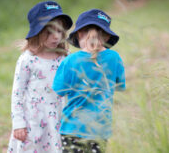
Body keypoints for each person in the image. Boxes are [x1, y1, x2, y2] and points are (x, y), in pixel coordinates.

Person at [52, 9, 126, 153]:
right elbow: (120, 86)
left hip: (72, 129)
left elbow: (58, 91)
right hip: (99, 129)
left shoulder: (69, 61)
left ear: (79, 33)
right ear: (107, 35)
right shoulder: (114, 58)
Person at [7, 1, 72, 153]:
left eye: (59, 31)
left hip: (58, 119)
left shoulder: (65, 58)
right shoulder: (28, 59)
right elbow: (17, 93)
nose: (56, 37)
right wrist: (18, 123)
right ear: (37, 32)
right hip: (33, 122)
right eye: (49, 32)